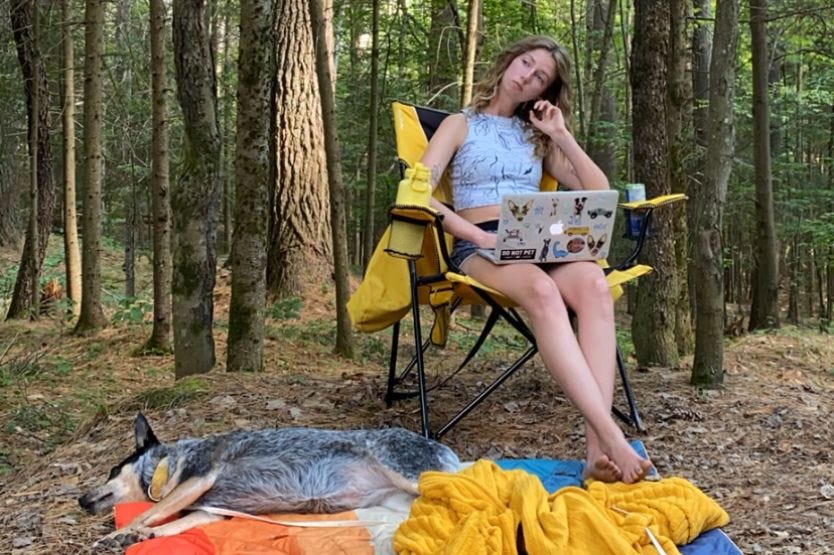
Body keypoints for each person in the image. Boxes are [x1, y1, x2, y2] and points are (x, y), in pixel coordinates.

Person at [420, 35, 652, 484]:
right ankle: (612, 437)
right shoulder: (459, 124)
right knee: (543, 293)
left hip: (543, 238)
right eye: (525, 63)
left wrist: (560, 134)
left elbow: (596, 189)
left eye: (540, 76)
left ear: (542, 92)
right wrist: (469, 233)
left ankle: (594, 456)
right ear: (509, 62)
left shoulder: (537, 136)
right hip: (481, 240)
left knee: (596, 287)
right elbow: (416, 192)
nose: (527, 74)